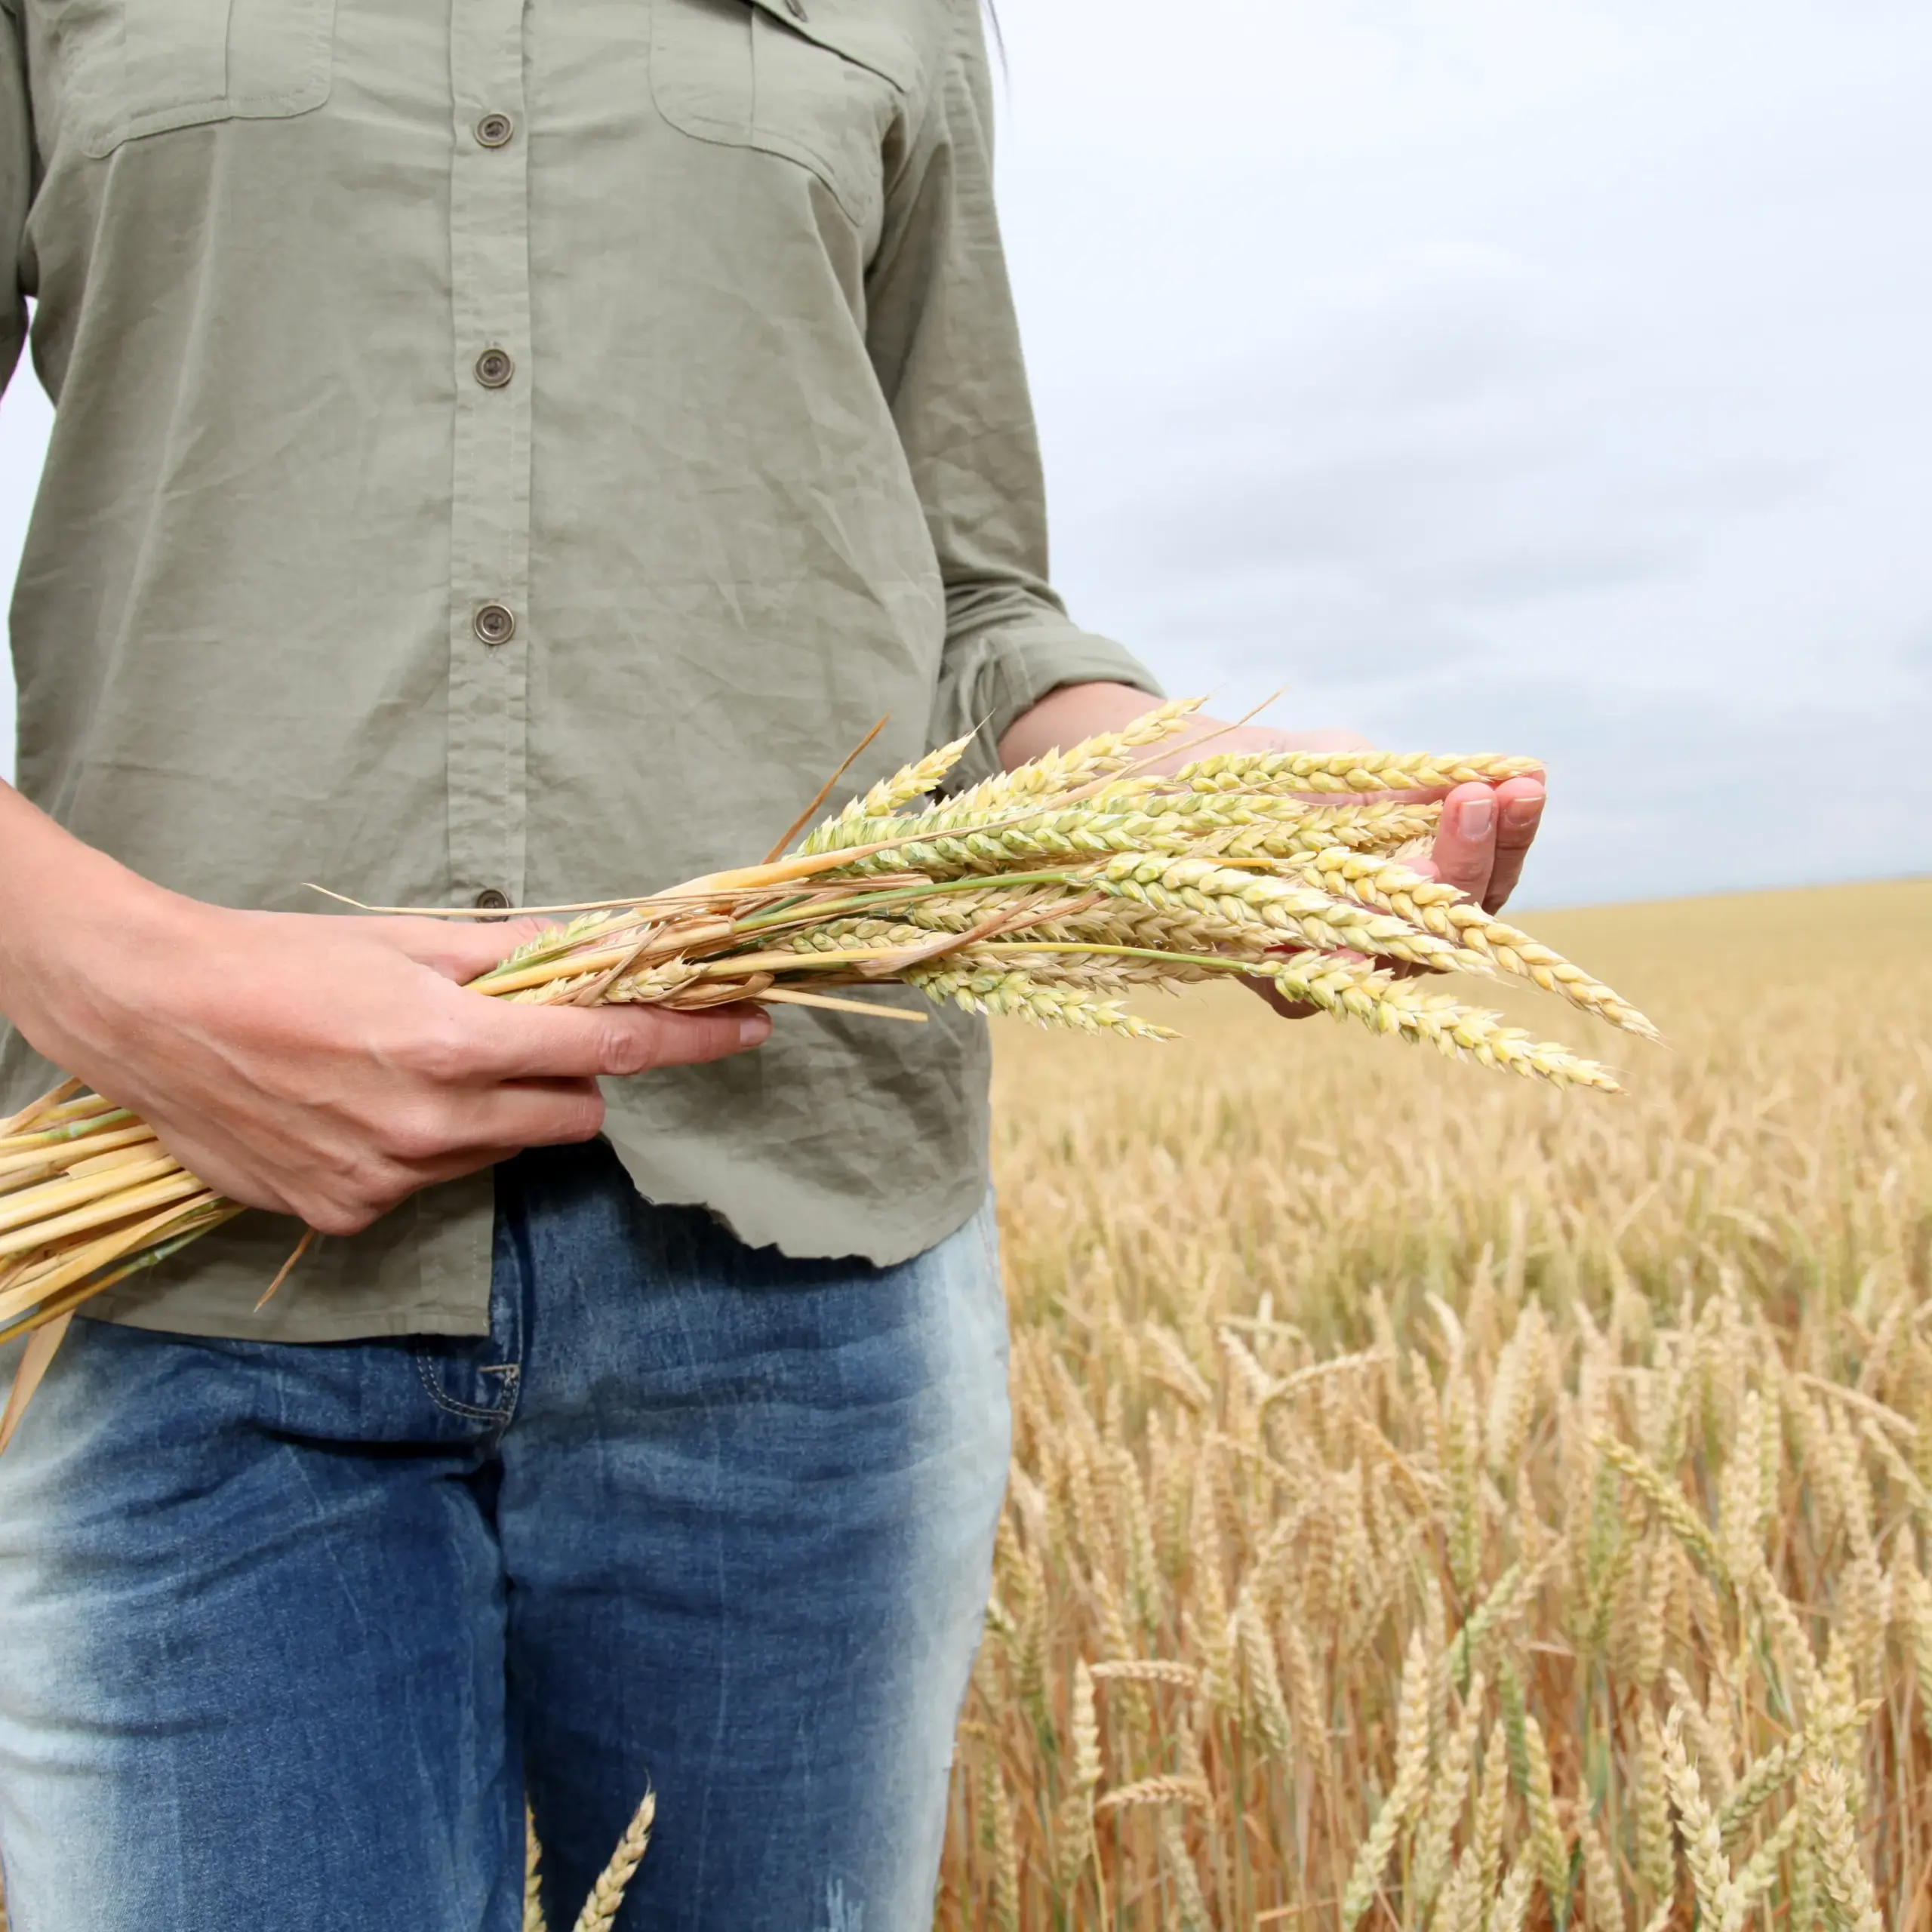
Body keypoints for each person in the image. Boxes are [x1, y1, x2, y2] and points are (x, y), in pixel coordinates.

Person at [0, 2, 1545, 1927]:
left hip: (795, 1283)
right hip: (188, 1275)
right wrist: (98, 975)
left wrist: (1174, 796)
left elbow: (969, 601)